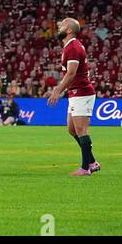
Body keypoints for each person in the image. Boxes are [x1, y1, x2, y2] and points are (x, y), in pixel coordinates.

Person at [47, 17, 100, 176]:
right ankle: (92, 161)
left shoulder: (73, 47)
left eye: (62, 25)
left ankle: (85, 168)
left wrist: (58, 90)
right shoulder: (70, 46)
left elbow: (71, 73)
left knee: (81, 130)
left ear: (69, 30)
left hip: (82, 92)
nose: (58, 26)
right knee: (72, 129)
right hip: (76, 92)